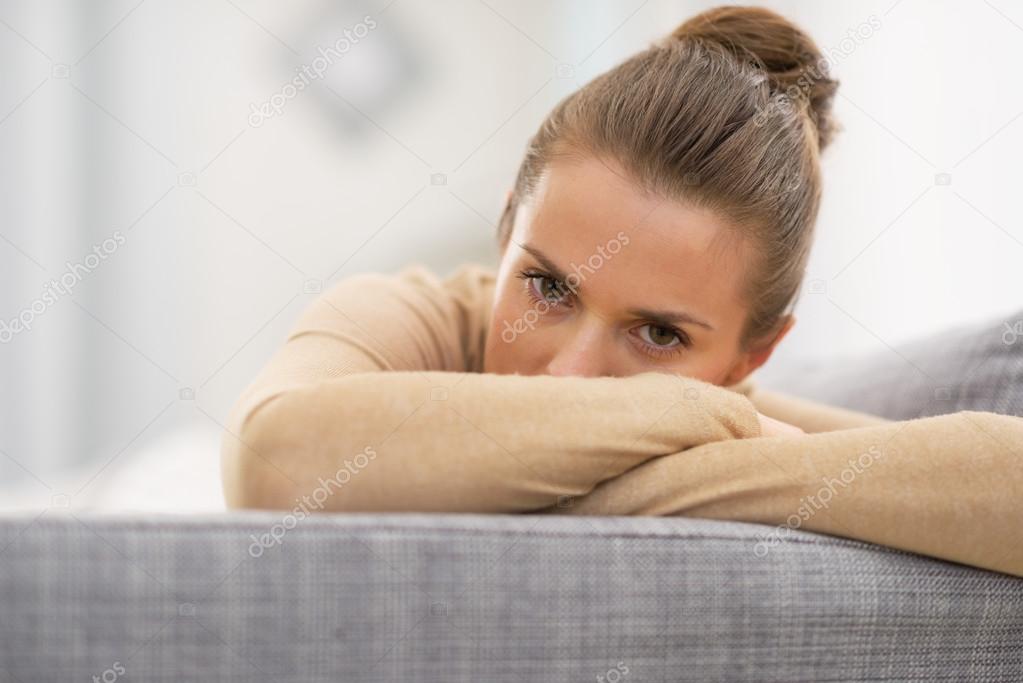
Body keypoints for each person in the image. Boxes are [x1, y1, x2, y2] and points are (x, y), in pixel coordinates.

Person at [221, 6, 1023, 576]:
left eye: (660, 336)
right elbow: (272, 464)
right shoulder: (413, 318)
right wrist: (690, 417)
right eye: (545, 286)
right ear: (506, 228)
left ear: (752, 354)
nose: (569, 376)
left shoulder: (735, 407)